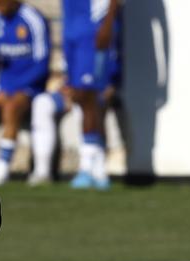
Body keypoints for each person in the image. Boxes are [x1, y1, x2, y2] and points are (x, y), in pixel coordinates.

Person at [27, 0, 122, 187]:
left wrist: (107, 24)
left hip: (93, 27)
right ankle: (97, 167)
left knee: (89, 95)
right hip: (72, 26)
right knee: (81, 95)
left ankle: (90, 166)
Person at [0, 0, 50, 187]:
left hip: (29, 87)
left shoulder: (33, 19)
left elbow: (42, 66)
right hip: (1, 87)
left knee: (11, 106)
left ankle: (2, 167)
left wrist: (10, 89)